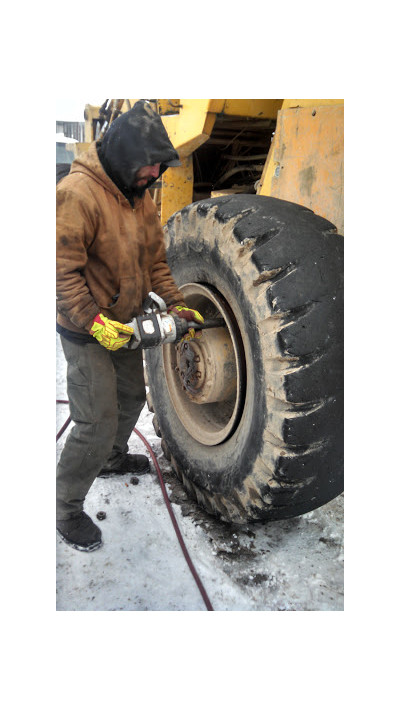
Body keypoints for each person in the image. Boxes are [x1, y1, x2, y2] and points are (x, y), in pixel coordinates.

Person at [56, 100, 204, 552]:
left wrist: (178, 306)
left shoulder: (140, 199)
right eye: (149, 167)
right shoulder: (77, 193)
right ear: (123, 157)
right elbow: (59, 270)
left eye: (159, 168)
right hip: (87, 329)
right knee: (95, 420)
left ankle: (112, 459)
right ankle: (64, 508)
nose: (155, 175)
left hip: (123, 324)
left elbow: (155, 262)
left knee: (130, 398)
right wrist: (94, 321)